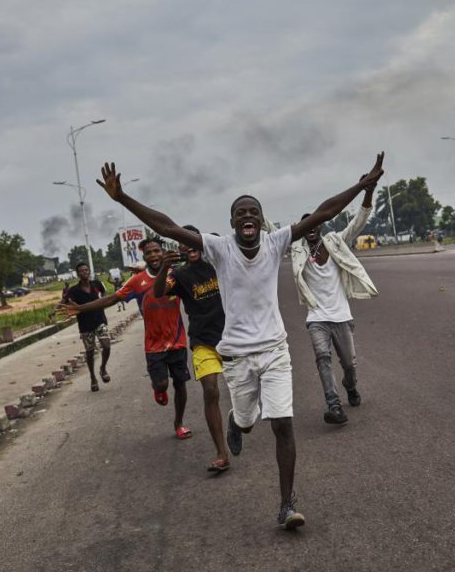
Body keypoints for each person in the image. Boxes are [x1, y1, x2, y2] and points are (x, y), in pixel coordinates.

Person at [95, 153, 385, 530]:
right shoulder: (218, 248)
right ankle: (238, 422)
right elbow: (167, 227)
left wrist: (363, 186)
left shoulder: (276, 240)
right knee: (248, 422)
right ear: (232, 222)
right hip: (237, 357)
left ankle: (286, 505)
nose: (247, 216)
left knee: (282, 425)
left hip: (275, 351)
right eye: (240, 213)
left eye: (253, 212)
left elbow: (324, 212)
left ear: (260, 220)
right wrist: (123, 199)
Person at [62, 239, 192, 440]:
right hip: (154, 345)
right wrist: (80, 308)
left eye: (157, 251)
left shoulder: (175, 275)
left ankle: (179, 423)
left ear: (163, 252)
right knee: (162, 384)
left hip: (177, 340)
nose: (154, 255)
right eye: (149, 253)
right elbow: (110, 299)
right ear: (144, 257)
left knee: (180, 384)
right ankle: (157, 388)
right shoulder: (136, 281)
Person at [291, 188, 379, 425]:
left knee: (349, 365)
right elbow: (269, 231)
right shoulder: (297, 250)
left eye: (315, 222)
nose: (310, 227)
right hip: (317, 318)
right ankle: (334, 406)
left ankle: (350, 386)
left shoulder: (335, 242)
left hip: (341, 316)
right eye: (305, 224)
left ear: (320, 225)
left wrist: (368, 192)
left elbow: (359, 222)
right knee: (322, 358)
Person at [153, 225, 230, 472]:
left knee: (244, 399)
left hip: (232, 338)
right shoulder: (180, 274)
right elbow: (158, 292)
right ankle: (221, 453)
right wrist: (165, 265)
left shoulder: (218, 265)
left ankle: (239, 424)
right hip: (202, 342)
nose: (189, 248)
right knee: (210, 391)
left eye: (193, 242)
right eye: (182, 244)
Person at [61, 263, 111, 393]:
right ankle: (93, 378)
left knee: (106, 346)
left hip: (100, 320)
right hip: (85, 325)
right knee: (90, 352)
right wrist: (54, 310)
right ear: (77, 274)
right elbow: (65, 302)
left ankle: (103, 368)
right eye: (82, 271)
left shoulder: (97, 285)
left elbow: (104, 297)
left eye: (86, 270)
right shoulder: (74, 290)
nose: (85, 272)